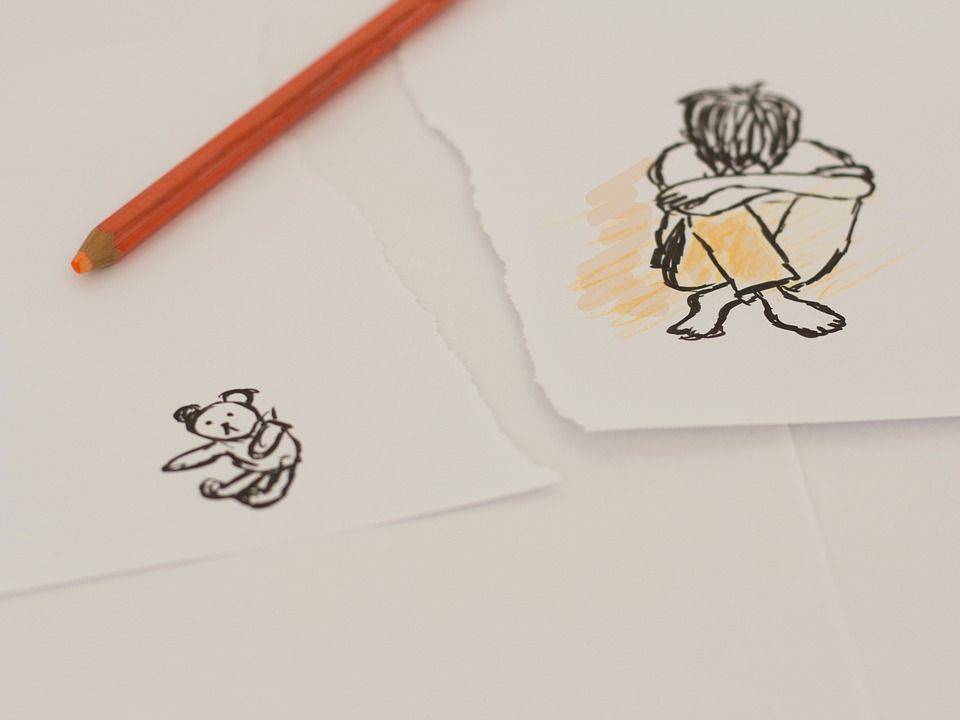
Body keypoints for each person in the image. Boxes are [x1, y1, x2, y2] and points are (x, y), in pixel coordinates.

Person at [649, 83, 874, 339]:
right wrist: (762, 188)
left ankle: (719, 297)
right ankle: (775, 298)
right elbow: (705, 208)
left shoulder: (803, 152)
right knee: (717, 213)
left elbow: (858, 186)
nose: (747, 151)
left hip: (793, 264)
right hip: (698, 267)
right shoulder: (682, 157)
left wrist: (730, 185)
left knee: (836, 198)